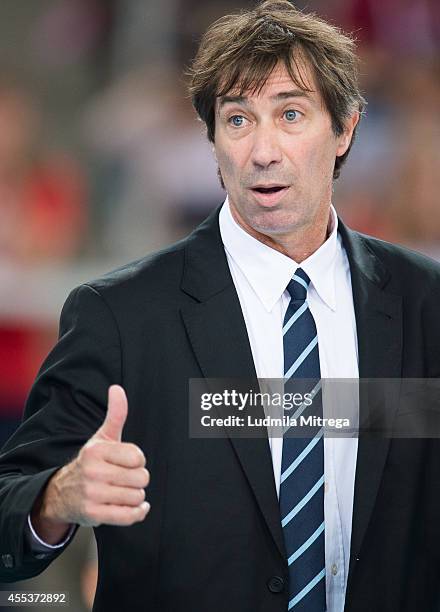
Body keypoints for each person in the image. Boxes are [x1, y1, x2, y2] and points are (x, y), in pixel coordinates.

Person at [0, 1, 439, 611]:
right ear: (212, 141)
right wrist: (56, 498)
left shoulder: (426, 303)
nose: (263, 150)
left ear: (346, 129)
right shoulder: (121, 314)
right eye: (237, 120)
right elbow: (8, 506)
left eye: (291, 114)